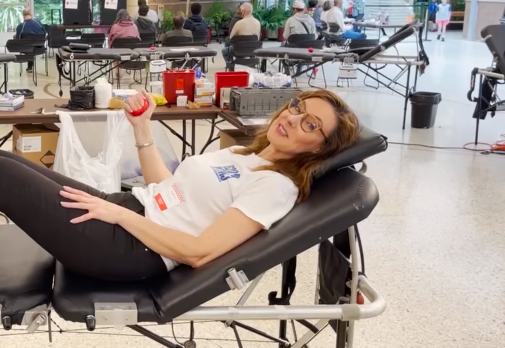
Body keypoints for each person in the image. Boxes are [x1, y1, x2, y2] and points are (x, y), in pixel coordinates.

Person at [0, 89, 360, 282]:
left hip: (129, 250)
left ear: (320, 149)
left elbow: (198, 252)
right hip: (130, 212)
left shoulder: (276, 186)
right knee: (7, 163)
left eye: (311, 125)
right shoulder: (242, 153)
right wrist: (142, 129)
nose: (293, 118)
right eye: (298, 107)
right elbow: (170, 191)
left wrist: (120, 216)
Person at [15, 8, 46, 73]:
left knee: (28, 45)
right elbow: (44, 34)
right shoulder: (38, 23)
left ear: (23, 15)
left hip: (26, 49)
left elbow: (18, 40)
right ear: (31, 14)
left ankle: (30, 67)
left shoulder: (21, 26)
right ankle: (30, 67)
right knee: (31, 44)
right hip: (40, 48)